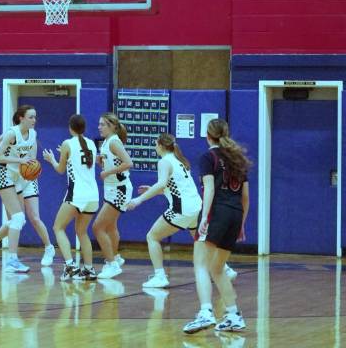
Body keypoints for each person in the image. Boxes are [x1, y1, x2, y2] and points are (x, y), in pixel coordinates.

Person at [183, 119, 251, 334]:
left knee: (200, 264)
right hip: (234, 215)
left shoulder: (208, 157)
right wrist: (241, 224)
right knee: (217, 268)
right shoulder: (237, 159)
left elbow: (210, 189)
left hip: (217, 213)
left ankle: (205, 313)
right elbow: (245, 198)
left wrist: (204, 218)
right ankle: (233, 316)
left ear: (207, 136)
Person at [0, 105, 54, 272]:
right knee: (18, 217)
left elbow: (31, 157)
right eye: (31, 117)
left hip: (19, 177)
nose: (34, 120)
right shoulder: (12, 133)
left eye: (35, 117)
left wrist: (33, 168)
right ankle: (11, 260)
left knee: (19, 219)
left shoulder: (33, 134)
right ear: (21, 118)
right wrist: (20, 162)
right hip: (4, 174)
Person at [127, 133, 202, 288]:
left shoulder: (164, 162)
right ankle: (223, 268)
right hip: (196, 207)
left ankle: (160, 276)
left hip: (181, 209)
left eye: (155, 144)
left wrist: (138, 200)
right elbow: (173, 187)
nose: (155, 147)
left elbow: (161, 184)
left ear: (161, 146)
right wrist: (155, 190)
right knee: (199, 240)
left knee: (152, 237)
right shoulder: (178, 161)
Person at [42, 114, 99, 281]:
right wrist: (66, 156)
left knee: (57, 228)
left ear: (70, 127)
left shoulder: (68, 144)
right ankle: (89, 269)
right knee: (82, 232)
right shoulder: (91, 144)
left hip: (77, 194)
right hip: (93, 195)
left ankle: (70, 266)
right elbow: (80, 161)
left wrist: (52, 159)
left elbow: (60, 170)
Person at [92, 113, 133, 279]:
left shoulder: (114, 142)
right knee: (110, 226)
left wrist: (107, 171)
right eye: (99, 124)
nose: (99, 127)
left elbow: (128, 163)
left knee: (97, 227)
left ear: (112, 126)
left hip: (119, 190)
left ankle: (111, 264)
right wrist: (101, 162)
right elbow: (114, 161)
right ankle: (115, 257)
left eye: (102, 124)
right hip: (112, 188)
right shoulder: (107, 142)